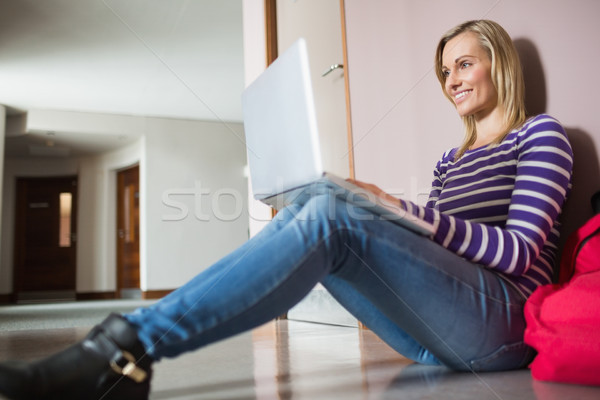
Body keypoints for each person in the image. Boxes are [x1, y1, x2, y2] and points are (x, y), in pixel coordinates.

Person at [0, 19, 573, 400]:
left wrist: (391, 205)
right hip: (439, 334)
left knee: (330, 214)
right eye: (445, 71)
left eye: (464, 65)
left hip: (505, 325)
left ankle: (123, 346)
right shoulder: (454, 157)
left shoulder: (542, 136)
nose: (451, 80)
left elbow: (519, 253)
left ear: (498, 63)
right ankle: (125, 347)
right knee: (321, 204)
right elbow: (441, 242)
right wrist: (379, 206)